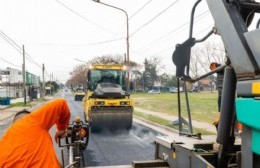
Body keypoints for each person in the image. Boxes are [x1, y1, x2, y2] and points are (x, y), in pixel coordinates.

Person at [0, 98, 71, 168]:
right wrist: (61, 128)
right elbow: (61, 103)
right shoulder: (32, 120)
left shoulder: (4, 141)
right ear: (28, 117)